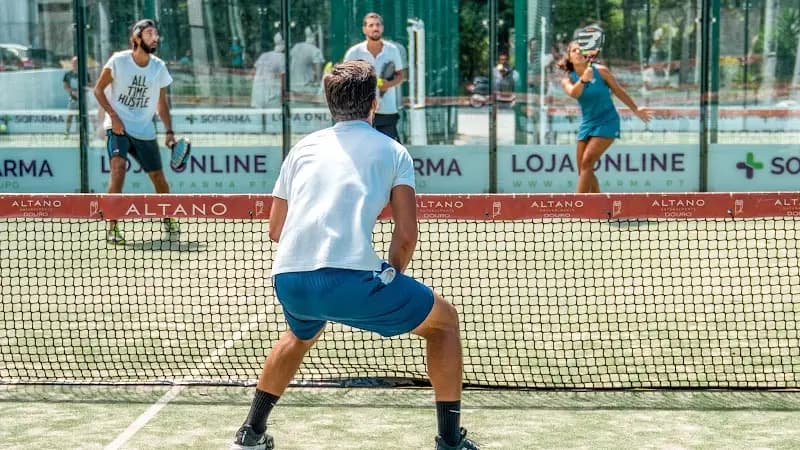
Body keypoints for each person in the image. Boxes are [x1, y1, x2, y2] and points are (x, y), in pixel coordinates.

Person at [229, 60, 479, 450]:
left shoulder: (302, 148)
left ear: (330, 102)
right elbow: (407, 235)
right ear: (374, 102)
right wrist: (389, 275)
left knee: (299, 334)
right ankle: (450, 441)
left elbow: (275, 230)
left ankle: (250, 434)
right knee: (444, 323)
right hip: (352, 283)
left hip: (290, 279)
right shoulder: (394, 151)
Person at [93, 19, 178, 244]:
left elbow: (162, 104)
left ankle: (168, 218)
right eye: (150, 33)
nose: (155, 38)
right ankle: (113, 227)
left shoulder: (158, 67)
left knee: (159, 179)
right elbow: (98, 90)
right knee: (118, 169)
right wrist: (114, 116)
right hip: (118, 127)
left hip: (145, 130)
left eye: (156, 34)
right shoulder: (118, 61)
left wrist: (169, 132)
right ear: (137, 38)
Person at [557, 40, 652, 193]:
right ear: (569, 56)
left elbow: (618, 90)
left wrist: (635, 109)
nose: (579, 52)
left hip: (608, 121)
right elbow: (574, 93)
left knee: (587, 162)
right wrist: (583, 80)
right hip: (587, 123)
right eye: (574, 50)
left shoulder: (601, 71)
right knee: (583, 169)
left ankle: (577, 206)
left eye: (581, 50)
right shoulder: (567, 79)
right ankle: (599, 205)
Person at [344, 12, 405, 141]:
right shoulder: (354, 52)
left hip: (387, 110)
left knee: (391, 150)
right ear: (364, 29)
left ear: (382, 28)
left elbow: (401, 75)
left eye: (378, 25)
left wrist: (388, 84)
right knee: (363, 149)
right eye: (371, 25)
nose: (375, 28)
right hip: (362, 112)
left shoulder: (392, 50)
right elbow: (344, 78)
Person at [251, 33, 285, 108]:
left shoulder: (263, 55)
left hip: (257, 94)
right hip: (271, 96)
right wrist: (283, 95)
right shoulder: (282, 58)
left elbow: (253, 72)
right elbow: (283, 78)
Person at [289, 27, 324, 99]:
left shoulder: (296, 47)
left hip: (292, 87)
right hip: (306, 89)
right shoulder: (315, 51)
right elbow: (318, 74)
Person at [63, 56, 81, 136]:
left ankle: (80, 133)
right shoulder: (67, 74)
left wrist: (80, 92)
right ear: (72, 63)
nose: (75, 64)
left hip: (82, 100)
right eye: (74, 63)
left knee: (80, 117)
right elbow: (65, 87)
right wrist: (72, 92)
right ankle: (67, 131)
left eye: (77, 62)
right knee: (70, 115)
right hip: (72, 99)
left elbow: (89, 85)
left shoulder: (84, 73)